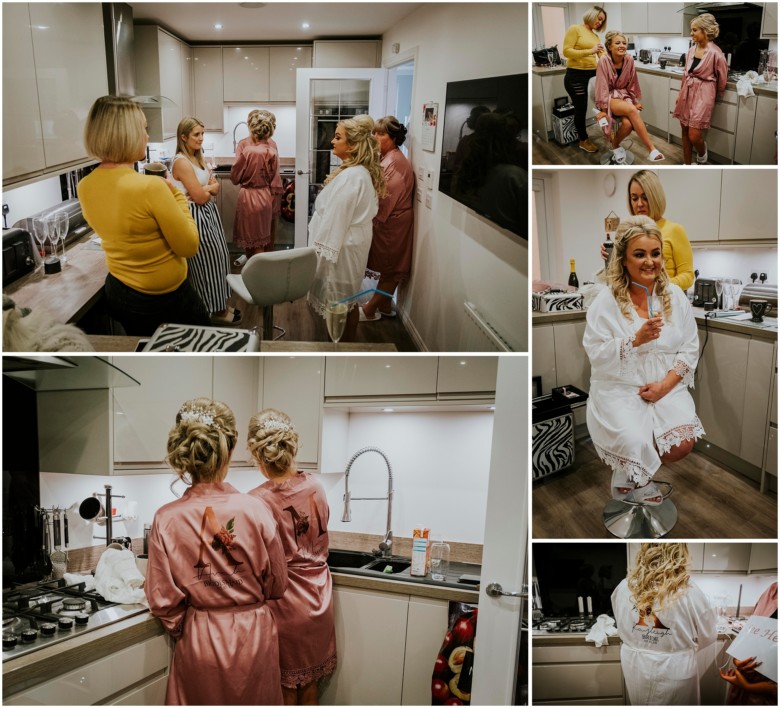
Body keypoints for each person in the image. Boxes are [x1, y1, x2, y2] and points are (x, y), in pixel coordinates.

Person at [145, 398, 288, 705]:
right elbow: (278, 582)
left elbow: (162, 601)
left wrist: (198, 618)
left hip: (201, 641)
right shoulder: (256, 510)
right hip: (254, 638)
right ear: (230, 450)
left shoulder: (165, 518)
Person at [584, 216, 704, 504]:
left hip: (666, 384)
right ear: (624, 259)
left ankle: (634, 474)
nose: (649, 261)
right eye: (639, 254)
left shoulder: (675, 296)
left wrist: (665, 386)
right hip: (620, 387)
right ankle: (633, 478)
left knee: (682, 442)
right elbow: (596, 352)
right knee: (633, 440)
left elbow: (689, 347)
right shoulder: (606, 301)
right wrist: (634, 341)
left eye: (655, 253)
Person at [78, 96, 210, 335]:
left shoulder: (85, 185)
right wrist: (177, 195)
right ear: (126, 134)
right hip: (164, 300)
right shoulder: (150, 187)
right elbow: (189, 246)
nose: (147, 136)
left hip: (120, 291)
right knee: (201, 344)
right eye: (143, 129)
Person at [247, 409, 337, 705]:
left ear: (258, 457)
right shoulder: (316, 486)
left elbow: (257, 560)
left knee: (284, 689)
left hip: (285, 603)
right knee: (309, 687)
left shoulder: (256, 500)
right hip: (319, 598)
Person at [307, 115, 387, 343]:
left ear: (352, 145)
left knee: (340, 302)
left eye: (338, 137)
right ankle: (344, 345)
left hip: (341, 250)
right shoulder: (357, 172)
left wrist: (319, 256)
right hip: (351, 244)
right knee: (348, 300)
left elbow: (336, 220)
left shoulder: (353, 177)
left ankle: (342, 347)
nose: (332, 141)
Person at [612, 543, 717, 705]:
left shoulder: (624, 587)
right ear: (680, 554)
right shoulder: (688, 590)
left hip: (635, 666)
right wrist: (676, 647)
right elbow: (709, 635)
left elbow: (621, 623)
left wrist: (646, 643)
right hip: (674, 669)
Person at [171, 116, 238, 326]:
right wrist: (206, 190)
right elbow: (199, 197)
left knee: (219, 258)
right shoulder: (181, 162)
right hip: (195, 216)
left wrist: (206, 189)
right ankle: (213, 311)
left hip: (208, 214)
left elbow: (215, 187)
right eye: (196, 134)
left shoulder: (198, 158)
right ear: (183, 137)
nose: (201, 138)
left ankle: (220, 306)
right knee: (206, 264)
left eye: (202, 134)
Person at [601, 170, 695, 292]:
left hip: (666, 302)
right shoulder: (628, 232)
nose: (639, 204)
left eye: (645, 198)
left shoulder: (675, 230)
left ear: (655, 197)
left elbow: (688, 275)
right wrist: (611, 258)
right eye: (634, 198)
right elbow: (620, 275)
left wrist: (659, 287)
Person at [360, 116, 415, 322]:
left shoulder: (394, 162)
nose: (375, 137)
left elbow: (385, 198)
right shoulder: (387, 157)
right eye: (374, 132)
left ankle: (369, 309)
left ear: (393, 137)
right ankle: (383, 305)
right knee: (388, 266)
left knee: (391, 269)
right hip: (391, 220)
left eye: (380, 133)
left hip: (394, 223)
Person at [595, 31, 665, 163]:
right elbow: (602, 86)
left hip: (624, 95)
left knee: (627, 124)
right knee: (633, 111)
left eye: (624, 43)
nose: (622, 45)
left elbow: (633, 82)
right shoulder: (604, 61)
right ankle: (651, 149)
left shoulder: (629, 59)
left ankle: (615, 145)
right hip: (609, 97)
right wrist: (603, 110)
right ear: (609, 46)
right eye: (617, 43)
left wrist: (634, 100)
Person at [672, 13, 728, 165]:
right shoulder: (691, 50)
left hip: (704, 94)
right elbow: (685, 74)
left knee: (694, 135)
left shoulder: (716, 53)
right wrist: (680, 92)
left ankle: (702, 154)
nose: (691, 33)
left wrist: (717, 97)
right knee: (684, 128)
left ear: (705, 31)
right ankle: (687, 164)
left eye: (694, 30)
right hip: (687, 92)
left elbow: (722, 78)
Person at [231, 109, 283, 258]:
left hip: (248, 196)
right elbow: (276, 175)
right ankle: (263, 272)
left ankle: (254, 273)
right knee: (263, 237)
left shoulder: (245, 147)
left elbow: (235, 177)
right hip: (266, 195)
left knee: (251, 239)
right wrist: (274, 197)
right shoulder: (271, 146)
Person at [720, 581, 778, 705]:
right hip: (742, 682)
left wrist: (748, 687)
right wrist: (737, 659)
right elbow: (751, 631)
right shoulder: (772, 590)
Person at [562, 5, 607, 154]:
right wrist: (591, 51)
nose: (600, 22)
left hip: (592, 75)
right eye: (599, 18)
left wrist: (610, 59)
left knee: (600, 104)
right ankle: (583, 140)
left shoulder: (595, 36)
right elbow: (566, 51)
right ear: (591, 15)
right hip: (576, 76)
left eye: (602, 21)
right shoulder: (575, 29)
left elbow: (602, 56)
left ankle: (607, 133)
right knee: (580, 109)